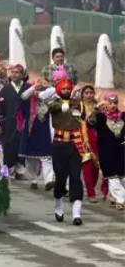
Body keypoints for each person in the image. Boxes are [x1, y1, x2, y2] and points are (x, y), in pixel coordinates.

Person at [47, 67, 84, 225]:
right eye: (64, 88)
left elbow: (86, 116)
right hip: (60, 145)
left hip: (75, 145)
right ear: (58, 90)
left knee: (76, 177)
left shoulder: (77, 103)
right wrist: (61, 106)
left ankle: (77, 212)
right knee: (61, 177)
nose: (67, 90)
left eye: (69, 88)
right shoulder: (54, 103)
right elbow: (50, 108)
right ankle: (58, 204)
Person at [87, 93, 124, 210]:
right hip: (106, 151)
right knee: (112, 175)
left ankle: (114, 197)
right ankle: (120, 200)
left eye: (115, 103)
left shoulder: (122, 116)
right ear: (105, 103)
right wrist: (96, 109)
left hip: (121, 150)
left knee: (121, 176)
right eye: (110, 103)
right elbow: (89, 123)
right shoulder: (101, 117)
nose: (113, 105)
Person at [18, 77, 55, 190]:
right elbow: (23, 96)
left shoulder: (51, 94)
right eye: (40, 81)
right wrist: (34, 87)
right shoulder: (30, 95)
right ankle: (34, 178)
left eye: (45, 81)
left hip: (46, 128)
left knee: (46, 156)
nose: (42, 83)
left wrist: (45, 88)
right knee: (32, 157)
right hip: (32, 127)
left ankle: (49, 180)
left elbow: (54, 92)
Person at [79, 84, 107, 203]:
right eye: (86, 93)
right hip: (83, 138)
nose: (89, 95)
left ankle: (91, 188)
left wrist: (101, 112)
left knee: (96, 168)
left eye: (91, 93)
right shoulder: (79, 106)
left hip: (97, 138)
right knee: (87, 165)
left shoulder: (98, 106)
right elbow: (83, 121)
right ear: (82, 95)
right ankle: (91, 193)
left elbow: (103, 123)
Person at [0, 64, 26, 172]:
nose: (14, 75)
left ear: (22, 74)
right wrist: (0, 124)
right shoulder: (5, 90)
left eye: (17, 72)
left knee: (22, 145)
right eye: (12, 72)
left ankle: (21, 170)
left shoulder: (27, 88)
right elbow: (0, 108)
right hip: (9, 123)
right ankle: (8, 169)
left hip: (23, 123)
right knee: (9, 146)